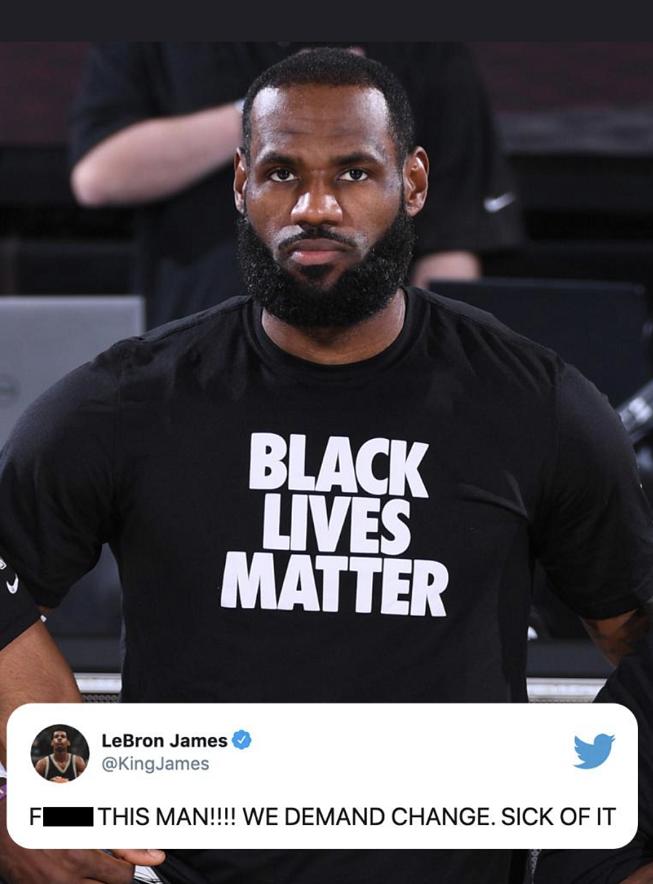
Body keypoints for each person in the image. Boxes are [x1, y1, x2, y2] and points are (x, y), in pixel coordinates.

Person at [0, 47, 651, 884]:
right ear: (241, 185)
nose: (315, 206)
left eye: (353, 172)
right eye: (281, 173)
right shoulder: (130, 399)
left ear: (412, 183)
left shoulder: (534, 403)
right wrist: (28, 795)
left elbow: (634, 642)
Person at [68, 41, 524, 328]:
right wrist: (277, 108)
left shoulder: (428, 48)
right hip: (198, 343)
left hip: (370, 356)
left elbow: (453, 238)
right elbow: (98, 174)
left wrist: (433, 365)